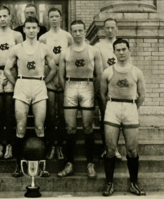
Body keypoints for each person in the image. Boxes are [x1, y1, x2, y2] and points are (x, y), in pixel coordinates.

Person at [5, 16, 57, 177]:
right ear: (24, 29)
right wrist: (16, 83)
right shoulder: (16, 48)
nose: (32, 30)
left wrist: (43, 82)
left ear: (39, 29)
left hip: (39, 85)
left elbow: (53, 69)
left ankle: (43, 165)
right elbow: (7, 69)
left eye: (34, 27)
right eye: (28, 28)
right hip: (22, 85)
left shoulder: (44, 48)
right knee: (20, 127)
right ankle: (18, 165)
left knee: (40, 127)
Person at [101, 39, 146, 196]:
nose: (121, 52)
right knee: (110, 148)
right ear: (114, 52)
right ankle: (109, 184)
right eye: (118, 50)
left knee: (132, 149)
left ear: (129, 50)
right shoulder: (107, 71)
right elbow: (102, 94)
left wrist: (132, 108)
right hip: (112, 107)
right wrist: (111, 107)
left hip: (130, 108)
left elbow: (142, 95)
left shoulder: (136, 72)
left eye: (123, 49)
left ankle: (134, 183)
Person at [58, 20, 102, 178]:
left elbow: (99, 75)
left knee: (88, 127)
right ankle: (69, 164)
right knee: (70, 128)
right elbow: (61, 76)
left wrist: (92, 90)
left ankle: (90, 164)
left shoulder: (93, 51)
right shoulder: (65, 52)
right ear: (71, 32)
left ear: (84, 32)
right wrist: (67, 89)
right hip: (70, 86)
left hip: (87, 87)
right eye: (74, 31)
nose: (77, 34)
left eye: (80, 31)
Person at [0, 6, 23, 160]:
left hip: (11, 74)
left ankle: (10, 145)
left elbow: (21, 57)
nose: (2, 19)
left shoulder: (17, 35)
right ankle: (0, 144)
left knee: (9, 113)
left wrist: (17, 76)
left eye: (4, 16)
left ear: (9, 17)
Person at [39, 7, 73, 160]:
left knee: (63, 114)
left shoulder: (67, 36)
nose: (54, 19)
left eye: (56, 16)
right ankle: (52, 145)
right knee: (51, 114)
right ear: (48, 19)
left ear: (60, 18)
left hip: (64, 75)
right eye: (51, 16)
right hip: (50, 75)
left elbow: (72, 55)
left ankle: (61, 146)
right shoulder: (43, 38)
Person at [95, 18, 122, 160]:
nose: (110, 30)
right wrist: (99, 90)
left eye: (112, 27)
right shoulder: (99, 47)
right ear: (104, 29)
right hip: (105, 88)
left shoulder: (122, 45)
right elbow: (97, 70)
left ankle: (115, 148)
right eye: (107, 28)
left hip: (119, 90)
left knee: (116, 119)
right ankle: (106, 147)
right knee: (105, 118)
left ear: (117, 28)